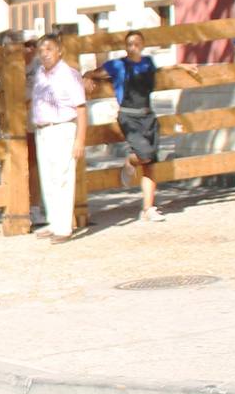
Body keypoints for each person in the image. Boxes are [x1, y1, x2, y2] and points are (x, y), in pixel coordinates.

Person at [84, 31, 199, 223]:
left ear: (142, 45)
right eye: (129, 44)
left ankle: (148, 208)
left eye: (136, 43)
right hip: (129, 115)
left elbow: (161, 70)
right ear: (126, 47)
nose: (133, 47)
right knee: (143, 154)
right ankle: (130, 161)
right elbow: (94, 73)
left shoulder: (148, 62)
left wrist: (181, 66)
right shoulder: (118, 65)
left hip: (147, 114)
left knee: (151, 163)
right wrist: (87, 78)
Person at [29, 33, 87, 244]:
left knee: (62, 176)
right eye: (42, 50)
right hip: (43, 128)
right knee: (48, 177)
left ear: (59, 50)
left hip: (62, 128)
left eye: (49, 49)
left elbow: (80, 108)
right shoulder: (41, 74)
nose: (45, 54)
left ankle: (64, 227)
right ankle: (54, 221)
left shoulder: (68, 74)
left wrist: (80, 139)